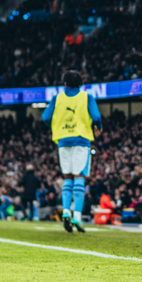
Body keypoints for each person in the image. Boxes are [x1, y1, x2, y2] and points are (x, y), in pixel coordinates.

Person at [42, 70, 103, 233]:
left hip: (62, 140)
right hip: (81, 140)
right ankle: (77, 215)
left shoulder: (57, 98)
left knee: (67, 177)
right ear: (80, 84)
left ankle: (66, 212)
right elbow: (96, 116)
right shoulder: (86, 97)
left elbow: (45, 117)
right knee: (79, 176)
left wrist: (55, 128)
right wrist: (99, 127)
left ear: (65, 84)